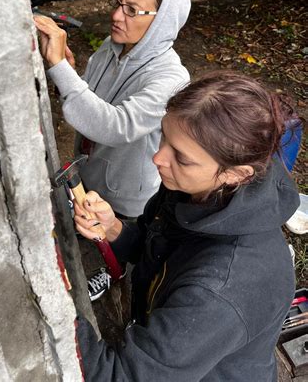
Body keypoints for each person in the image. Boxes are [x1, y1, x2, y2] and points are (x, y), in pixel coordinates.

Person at [74, 71, 300, 382]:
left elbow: (119, 376)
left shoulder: (221, 289)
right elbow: (157, 250)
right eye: (163, 136)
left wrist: (54, 314)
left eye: (182, 158)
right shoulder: (199, 189)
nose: (158, 157)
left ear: (237, 173)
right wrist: (115, 229)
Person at [34, 0, 191, 219]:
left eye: (131, 10)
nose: (116, 16)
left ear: (162, 21)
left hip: (124, 202)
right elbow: (91, 100)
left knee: (116, 251)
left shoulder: (171, 79)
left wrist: (59, 67)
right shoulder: (112, 46)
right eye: (117, 2)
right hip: (88, 175)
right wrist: (69, 74)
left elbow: (117, 127)